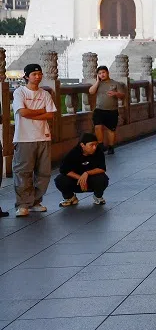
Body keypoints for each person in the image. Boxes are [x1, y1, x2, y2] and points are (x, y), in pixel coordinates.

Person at [12, 63, 57, 218]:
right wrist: (40, 112)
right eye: (34, 74)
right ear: (26, 76)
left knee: (43, 173)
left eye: (39, 74)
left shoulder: (45, 94)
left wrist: (34, 114)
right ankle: (23, 204)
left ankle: (36, 201)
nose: (38, 77)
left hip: (43, 136)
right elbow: (22, 112)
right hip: (24, 138)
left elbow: (50, 115)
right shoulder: (20, 92)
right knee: (23, 172)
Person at [55, 133, 109, 207]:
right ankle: (70, 198)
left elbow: (102, 168)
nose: (94, 147)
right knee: (59, 179)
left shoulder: (98, 151)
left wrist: (86, 173)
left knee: (103, 179)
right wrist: (80, 178)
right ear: (82, 145)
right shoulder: (73, 153)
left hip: (91, 180)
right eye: (91, 145)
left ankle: (98, 196)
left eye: (96, 145)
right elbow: (64, 169)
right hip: (76, 181)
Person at [88, 65, 126, 154]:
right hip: (99, 109)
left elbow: (122, 96)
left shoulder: (116, 83)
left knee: (111, 130)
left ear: (107, 72)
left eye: (103, 72)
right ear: (98, 75)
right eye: (100, 73)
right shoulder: (98, 84)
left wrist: (115, 93)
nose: (102, 75)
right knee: (97, 126)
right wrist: (97, 81)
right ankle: (101, 145)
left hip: (112, 110)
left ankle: (111, 146)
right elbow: (91, 91)